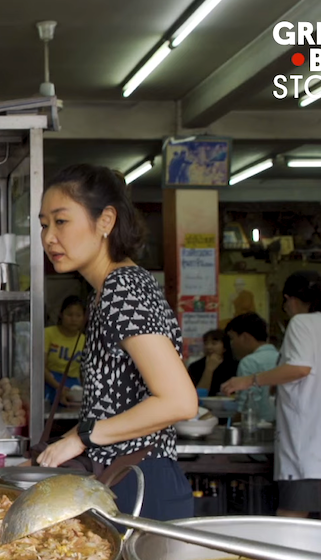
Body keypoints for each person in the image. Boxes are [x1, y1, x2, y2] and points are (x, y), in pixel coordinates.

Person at [35, 164, 197, 522]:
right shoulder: (107, 290)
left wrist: (82, 438)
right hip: (126, 478)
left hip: (143, 484)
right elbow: (117, 402)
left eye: (61, 222)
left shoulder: (122, 290)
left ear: (106, 220)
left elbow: (180, 401)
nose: (48, 237)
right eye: (44, 224)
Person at [223, 271, 321, 522]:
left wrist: (249, 380)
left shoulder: (302, 323)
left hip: (313, 439)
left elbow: (299, 368)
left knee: (290, 521)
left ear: (290, 299)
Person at [224, 312, 278, 424]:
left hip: (257, 428)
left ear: (245, 337)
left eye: (232, 338)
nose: (231, 344)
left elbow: (245, 406)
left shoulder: (249, 362)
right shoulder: (281, 357)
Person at [43, 295, 86, 403]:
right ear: (61, 315)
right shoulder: (48, 333)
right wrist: (57, 386)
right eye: (69, 314)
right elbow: (40, 367)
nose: (74, 319)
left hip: (73, 386)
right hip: (49, 382)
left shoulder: (84, 340)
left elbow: (85, 372)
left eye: (78, 315)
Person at [186, 329, 237, 395]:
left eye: (214, 343)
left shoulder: (234, 365)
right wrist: (209, 370)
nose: (209, 347)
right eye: (206, 343)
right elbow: (196, 394)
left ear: (225, 347)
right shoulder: (195, 367)